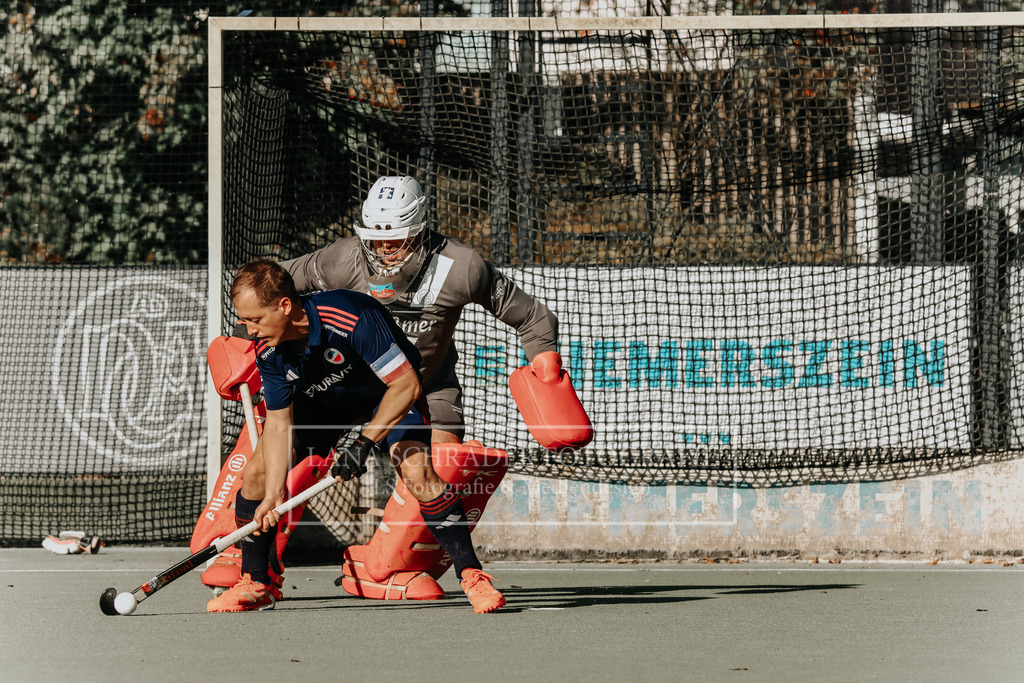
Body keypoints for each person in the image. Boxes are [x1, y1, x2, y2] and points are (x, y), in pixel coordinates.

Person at [206, 258, 505, 614]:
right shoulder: (268, 348)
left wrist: (363, 443)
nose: (249, 329)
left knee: (417, 472)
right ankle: (258, 583)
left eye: (254, 319)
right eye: (244, 320)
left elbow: (406, 384)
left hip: (386, 395)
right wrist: (273, 495)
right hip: (321, 404)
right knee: (254, 475)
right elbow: (279, 422)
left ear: (285, 306)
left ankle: (472, 576)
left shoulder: (350, 316)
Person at [282, 174, 562, 446]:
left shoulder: (461, 268)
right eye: (374, 238)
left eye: (396, 238)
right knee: (275, 465)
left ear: (418, 230)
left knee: (441, 468)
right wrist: (243, 338)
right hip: (343, 382)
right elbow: (271, 286)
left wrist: (545, 366)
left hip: (424, 387)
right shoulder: (345, 259)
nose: (383, 249)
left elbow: (531, 316)